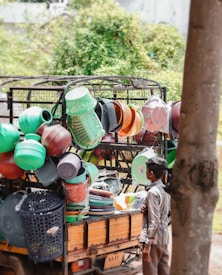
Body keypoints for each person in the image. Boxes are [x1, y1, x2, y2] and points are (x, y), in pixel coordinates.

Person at [139, 156, 170, 275]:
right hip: (164, 239)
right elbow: (165, 213)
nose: (146, 172)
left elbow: (154, 221)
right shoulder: (166, 190)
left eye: (146, 170)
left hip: (154, 242)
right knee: (164, 272)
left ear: (151, 174)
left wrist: (147, 245)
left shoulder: (152, 192)